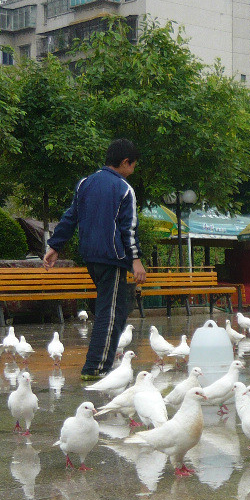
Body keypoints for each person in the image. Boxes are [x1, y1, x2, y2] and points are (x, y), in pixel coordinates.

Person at [44, 138, 147, 380]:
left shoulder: (85, 183)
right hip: (113, 258)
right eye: (133, 166)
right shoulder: (124, 189)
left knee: (116, 310)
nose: (132, 171)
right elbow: (128, 229)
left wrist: (55, 246)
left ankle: (103, 363)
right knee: (109, 313)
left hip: (91, 257)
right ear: (124, 162)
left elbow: (70, 217)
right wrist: (136, 260)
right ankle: (95, 368)